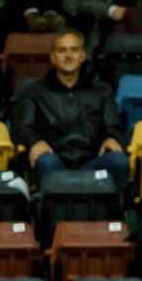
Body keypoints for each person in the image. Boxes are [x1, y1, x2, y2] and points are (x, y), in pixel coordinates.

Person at [11, 29, 126, 186]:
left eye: (74, 50)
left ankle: (116, 204)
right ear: (52, 57)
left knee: (118, 161)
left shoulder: (102, 91)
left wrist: (111, 137)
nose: (69, 55)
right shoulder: (34, 91)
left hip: (93, 161)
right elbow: (21, 129)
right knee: (46, 161)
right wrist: (35, 142)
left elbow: (114, 126)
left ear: (83, 56)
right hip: (53, 159)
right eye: (62, 50)